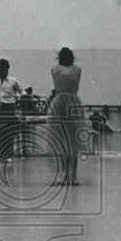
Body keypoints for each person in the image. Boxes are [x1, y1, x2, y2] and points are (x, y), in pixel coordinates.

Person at [49, 47, 84, 186]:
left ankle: (73, 173)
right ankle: (66, 173)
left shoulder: (77, 70)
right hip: (61, 104)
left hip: (72, 103)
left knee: (73, 140)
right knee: (62, 140)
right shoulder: (55, 69)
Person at [0, 58, 24, 166]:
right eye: (2, 68)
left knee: (10, 133)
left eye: (6, 68)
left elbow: (22, 92)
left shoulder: (13, 81)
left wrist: (18, 104)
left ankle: (9, 155)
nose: (5, 70)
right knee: (0, 133)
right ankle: (2, 155)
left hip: (9, 108)